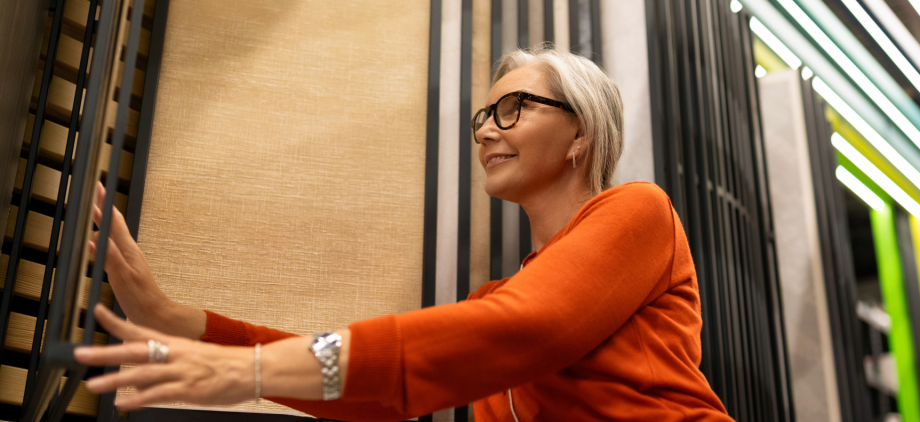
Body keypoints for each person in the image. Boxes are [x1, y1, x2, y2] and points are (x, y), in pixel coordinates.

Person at [75, 46, 733, 421]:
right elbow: (382, 380)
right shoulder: (498, 300)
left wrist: (248, 371)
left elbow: (526, 326)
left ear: (581, 134)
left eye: (513, 108)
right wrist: (173, 319)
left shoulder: (640, 212)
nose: (484, 131)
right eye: (484, 114)